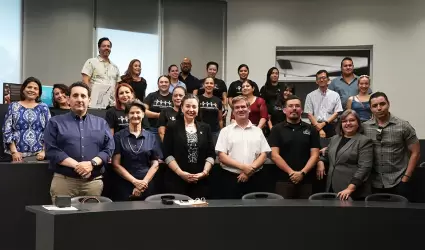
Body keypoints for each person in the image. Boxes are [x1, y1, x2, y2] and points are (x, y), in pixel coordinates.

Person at [44, 81, 114, 202]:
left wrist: (91, 164)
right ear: (68, 99)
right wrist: (78, 166)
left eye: (83, 96)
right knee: (62, 219)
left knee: (89, 220)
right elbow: (51, 150)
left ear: (89, 100)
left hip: (92, 183)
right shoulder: (55, 122)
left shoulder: (101, 123)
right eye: (75, 96)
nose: (79, 99)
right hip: (64, 182)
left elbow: (109, 148)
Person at [363, 92, 420, 200]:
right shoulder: (364, 127)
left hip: (399, 180)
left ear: (388, 104)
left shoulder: (404, 126)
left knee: (400, 216)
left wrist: (406, 178)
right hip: (374, 182)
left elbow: (416, 152)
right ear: (370, 108)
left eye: (382, 104)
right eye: (375, 106)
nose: (379, 108)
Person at [215, 95, 271, 199]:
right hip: (230, 179)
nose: (240, 109)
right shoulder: (225, 131)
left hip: (255, 179)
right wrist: (244, 168)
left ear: (249, 109)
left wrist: (250, 170)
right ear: (233, 111)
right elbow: (222, 156)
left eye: (243, 107)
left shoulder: (258, 131)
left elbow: (264, 155)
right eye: (237, 107)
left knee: (254, 212)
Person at [162, 94, 215, 198]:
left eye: (194, 107)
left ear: (198, 109)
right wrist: (181, 173)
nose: (191, 109)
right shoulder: (172, 126)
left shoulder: (206, 128)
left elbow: (211, 154)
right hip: (177, 179)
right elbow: (167, 154)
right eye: (188, 106)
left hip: (200, 181)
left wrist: (204, 173)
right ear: (182, 108)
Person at [269, 95, 320, 199]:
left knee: (306, 213)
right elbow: (274, 155)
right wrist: (291, 173)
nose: (294, 108)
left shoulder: (311, 129)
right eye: (290, 106)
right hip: (283, 180)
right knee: (283, 213)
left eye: (297, 106)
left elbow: (315, 155)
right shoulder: (276, 130)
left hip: (306, 179)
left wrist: (302, 173)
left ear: (301, 110)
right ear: (284, 110)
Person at [317, 109, 373, 200]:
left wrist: (350, 188)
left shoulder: (364, 141)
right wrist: (320, 162)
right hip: (331, 187)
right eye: (344, 121)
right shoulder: (335, 139)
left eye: (352, 120)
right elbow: (327, 156)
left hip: (352, 191)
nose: (348, 123)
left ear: (358, 123)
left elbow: (364, 168)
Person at [112, 101, 162, 201]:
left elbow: (155, 163)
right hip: (125, 184)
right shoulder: (118, 136)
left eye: (138, 112)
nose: (135, 115)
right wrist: (135, 182)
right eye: (132, 113)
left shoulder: (151, 137)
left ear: (143, 114)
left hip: (147, 183)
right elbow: (116, 164)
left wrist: (143, 182)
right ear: (127, 115)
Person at [2, 77, 51, 162]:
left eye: (35, 88)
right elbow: (7, 130)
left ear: (39, 93)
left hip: (39, 155)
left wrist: (44, 151)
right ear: (23, 90)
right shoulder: (14, 106)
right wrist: (14, 152)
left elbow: (49, 130)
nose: (32, 90)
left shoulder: (44, 107)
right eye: (29, 87)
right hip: (17, 155)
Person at [81, 37, 120, 106]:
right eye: (104, 46)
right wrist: (88, 97)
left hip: (111, 103)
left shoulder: (115, 67)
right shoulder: (91, 62)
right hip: (94, 102)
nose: (106, 48)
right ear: (99, 48)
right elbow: (85, 81)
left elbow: (117, 86)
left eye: (108, 46)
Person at [305, 70, 343, 138]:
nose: (322, 80)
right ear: (316, 81)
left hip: (331, 126)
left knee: (331, 147)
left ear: (328, 80)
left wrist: (324, 123)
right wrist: (319, 127)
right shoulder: (310, 96)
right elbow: (309, 114)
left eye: (324, 78)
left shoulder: (335, 95)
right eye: (319, 78)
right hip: (315, 125)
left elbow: (337, 112)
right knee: (315, 148)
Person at [198, 77, 223, 146]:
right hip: (200, 131)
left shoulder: (218, 100)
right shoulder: (197, 99)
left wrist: (221, 133)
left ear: (214, 86)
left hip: (214, 132)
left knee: (213, 154)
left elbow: (220, 119)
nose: (209, 85)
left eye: (211, 83)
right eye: (207, 83)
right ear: (203, 85)